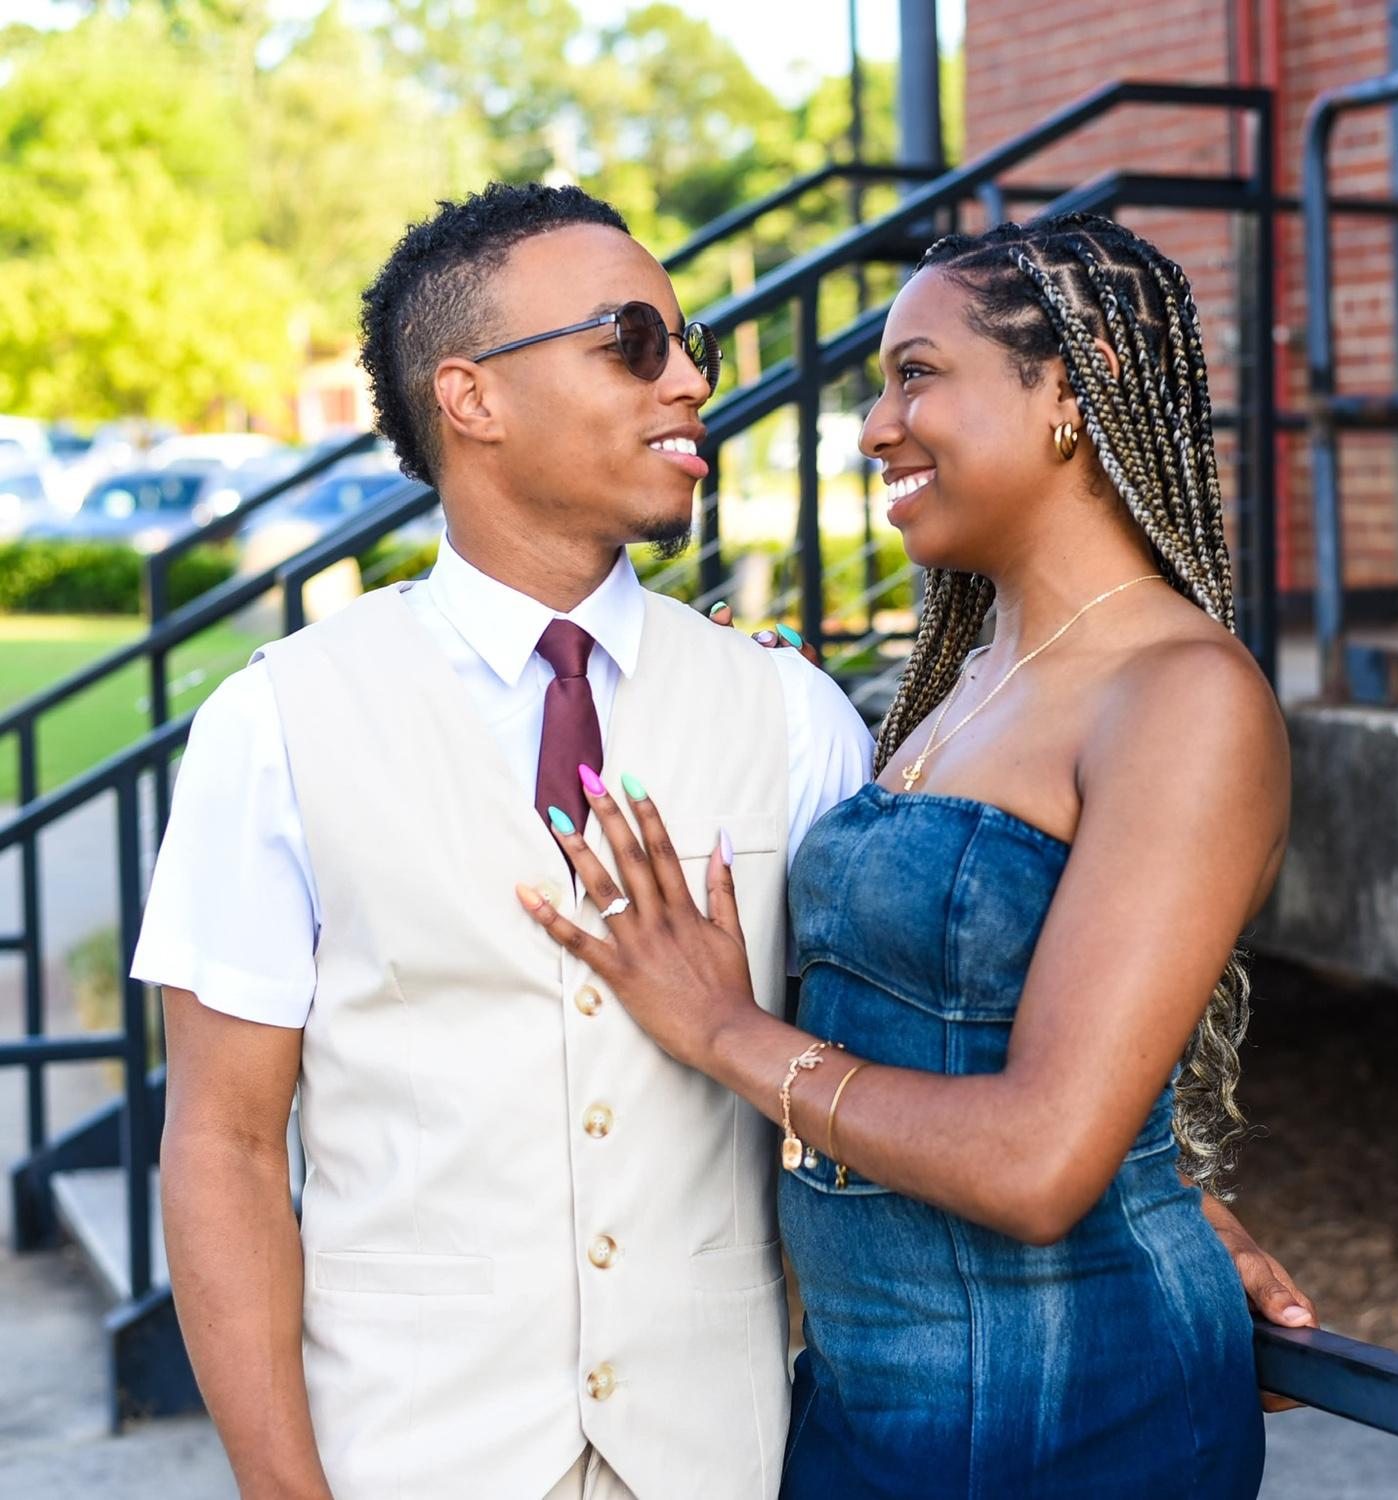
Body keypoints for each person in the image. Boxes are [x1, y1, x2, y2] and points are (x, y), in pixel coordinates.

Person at [137, 186, 1310, 1500]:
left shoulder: (795, 712)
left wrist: (1154, 1196)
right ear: (471, 397)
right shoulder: (276, 725)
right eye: (632, 343)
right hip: (408, 1461)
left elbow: (935, 1006)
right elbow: (225, 1146)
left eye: (688, 344)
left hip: (733, 1461)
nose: (692, 380)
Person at [519, 213, 1294, 1498]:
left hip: (1076, 1418)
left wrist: (722, 1031)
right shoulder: (960, 686)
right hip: (863, 1403)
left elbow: (1041, 1163)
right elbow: (939, 1011)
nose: (877, 427)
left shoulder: (1182, 697)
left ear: (1072, 385)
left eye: (916, 375)